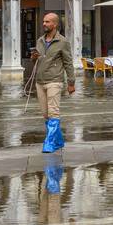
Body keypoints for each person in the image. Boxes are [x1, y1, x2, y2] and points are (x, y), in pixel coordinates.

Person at [31, 11, 75, 152]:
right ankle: (59, 141)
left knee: (53, 112)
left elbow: (68, 63)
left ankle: (49, 143)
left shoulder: (63, 42)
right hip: (40, 81)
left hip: (55, 81)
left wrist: (71, 82)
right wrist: (34, 57)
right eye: (43, 21)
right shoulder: (40, 41)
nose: (44, 24)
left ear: (55, 24)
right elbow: (36, 61)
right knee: (45, 113)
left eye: (47, 22)